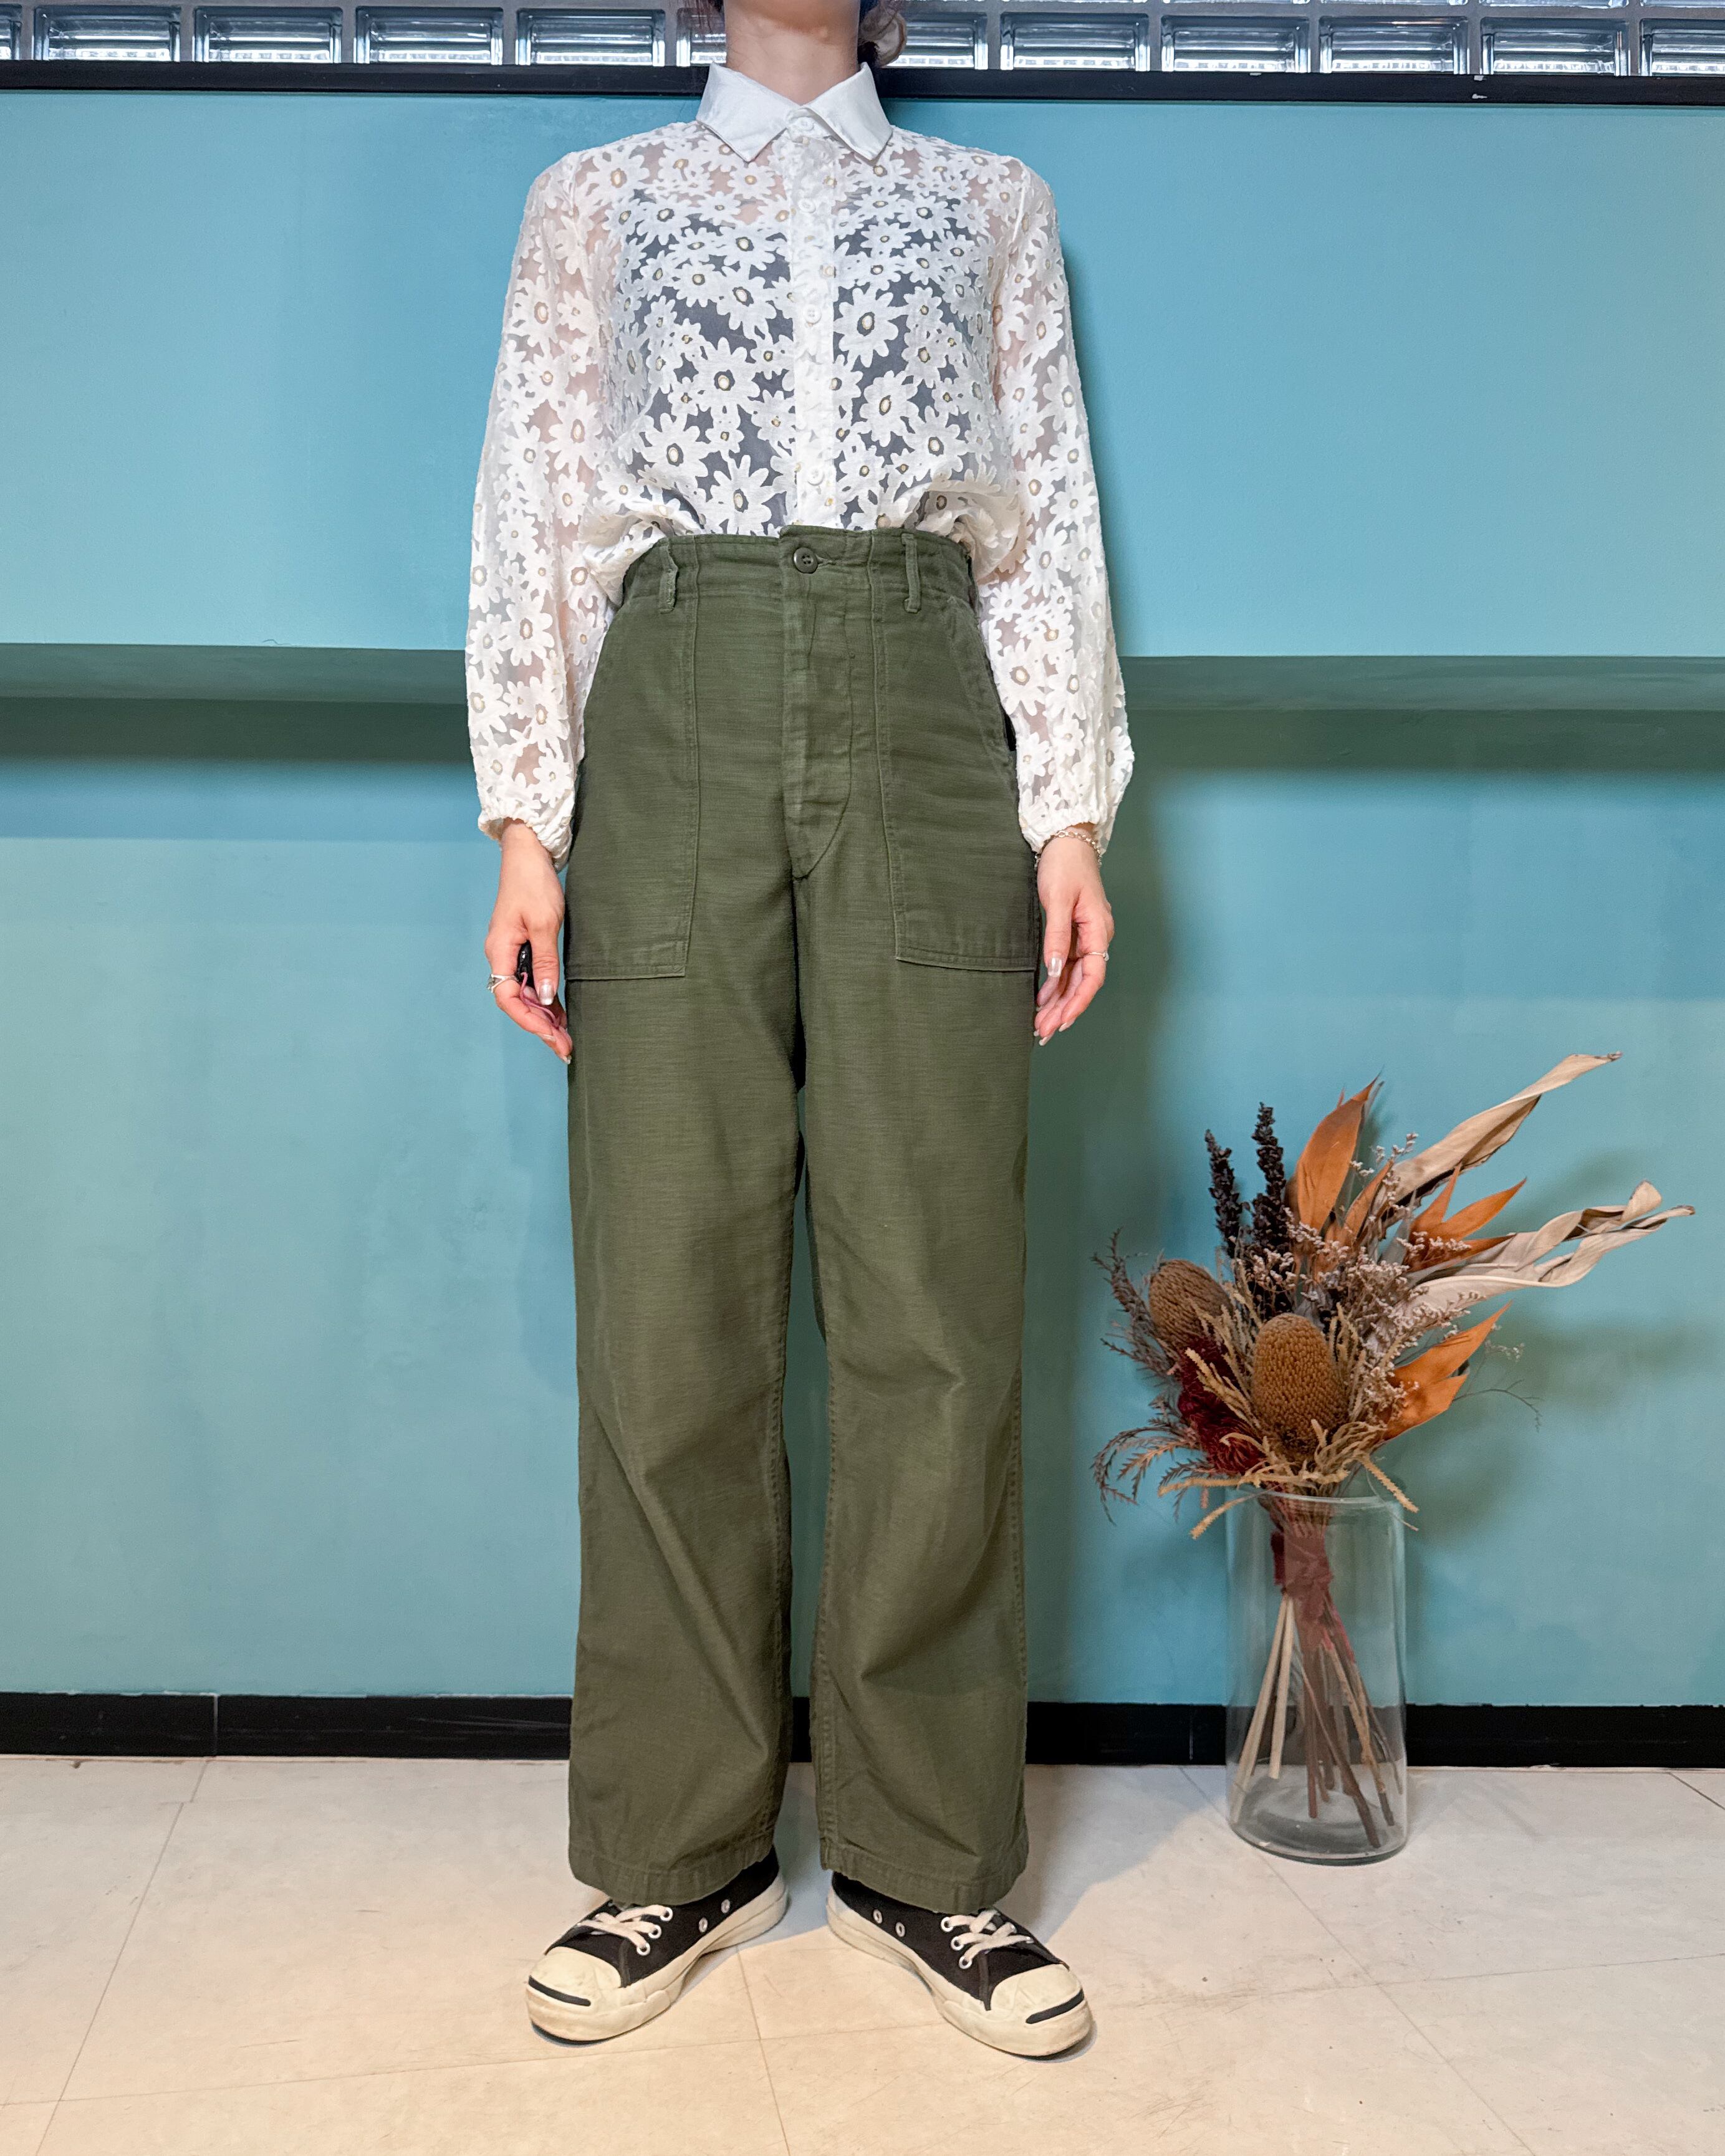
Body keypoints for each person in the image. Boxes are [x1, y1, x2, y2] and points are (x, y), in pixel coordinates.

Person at [465, 0, 1132, 2061]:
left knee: (935, 1293)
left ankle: (933, 1857)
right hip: (668, 702)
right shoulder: (594, 199)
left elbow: (1044, 520)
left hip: (932, 707)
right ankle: (680, 1846)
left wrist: (1071, 809)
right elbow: (535, 505)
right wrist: (526, 824)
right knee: (670, 1294)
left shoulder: (989, 199)